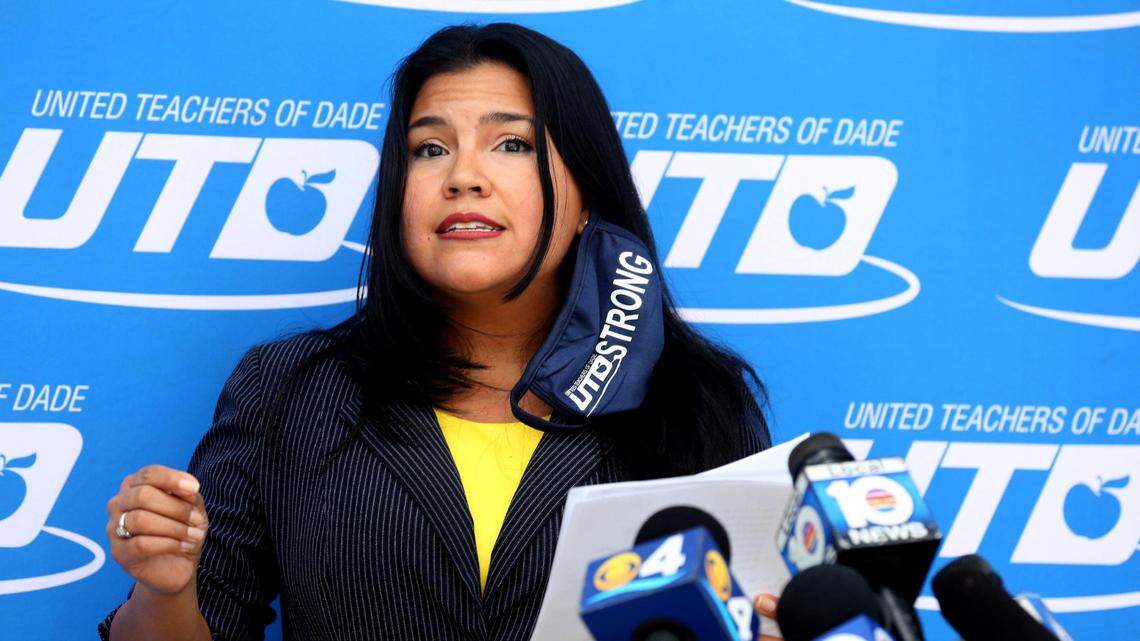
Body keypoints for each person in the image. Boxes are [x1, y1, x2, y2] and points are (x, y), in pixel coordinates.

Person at [99, 22, 781, 641]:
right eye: (430, 148)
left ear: (588, 200)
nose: (463, 177)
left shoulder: (695, 398)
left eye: (510, 143)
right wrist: (165, 588)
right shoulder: (286, 391)